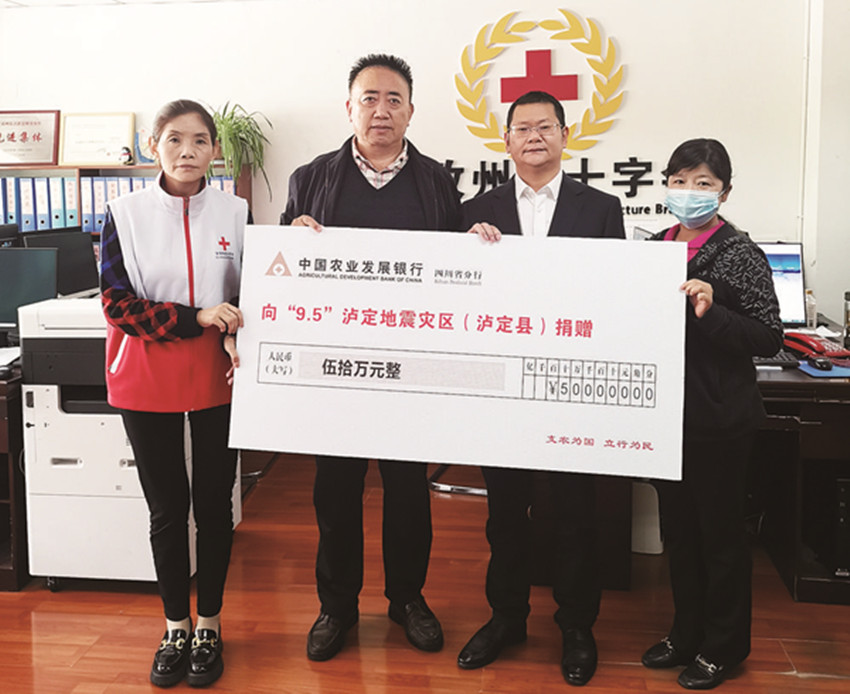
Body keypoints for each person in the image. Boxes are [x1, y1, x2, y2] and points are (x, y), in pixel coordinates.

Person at [281, 53, 462, 662]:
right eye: (369, 98)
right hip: (336, 366)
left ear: (411, 111)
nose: (381, 110)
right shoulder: (311, 178)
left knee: (408, 489)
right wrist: (292, 240)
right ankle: (336, 606)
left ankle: (407, 599)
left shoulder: (436, 181)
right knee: (335, 490)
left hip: (413, 363)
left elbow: (460, 274)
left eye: (393, 99)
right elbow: (283, 276)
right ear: (349, 107)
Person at [458, 90, 624, 687]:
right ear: (505, 140)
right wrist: (466, 250)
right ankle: (507, 617)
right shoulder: (475, 211)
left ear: (565, 135)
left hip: (570, 383)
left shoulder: (601, 208)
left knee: (576, 511)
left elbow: (614, 293)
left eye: (545, 126)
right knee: (505, 512)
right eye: (522, 128)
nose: (534, 137)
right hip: (501, 384)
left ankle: (577, 626)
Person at [101, 99, 248, 688]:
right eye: (175, 140)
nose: (188, 152)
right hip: (146, 373)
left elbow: (251, 290)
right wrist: (197, 317)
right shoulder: (125, 213)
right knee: (167, 509)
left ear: (215, 149)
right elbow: (117, 304)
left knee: (214, 506)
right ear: (153, 146)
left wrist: (236, 329)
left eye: (200, 141)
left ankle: (209, 624)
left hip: (219, 376)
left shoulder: (236, 211)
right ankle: (174, 626)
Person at [640, 138, 782, 690]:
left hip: (719, 420)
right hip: (666, 419)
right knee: (679, 533)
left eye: (703, 183)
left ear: (724, 192)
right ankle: (685, 634)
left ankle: (723, 648)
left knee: (719, 538)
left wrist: (711, 309)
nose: (689, 192)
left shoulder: (740, 253)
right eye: (679, 181)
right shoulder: (656, 246)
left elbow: (768, 336)